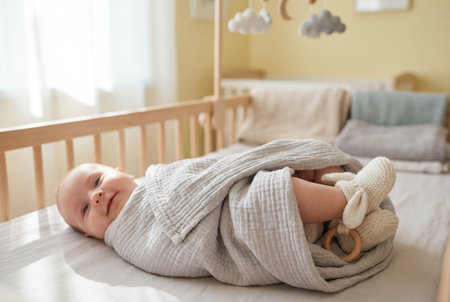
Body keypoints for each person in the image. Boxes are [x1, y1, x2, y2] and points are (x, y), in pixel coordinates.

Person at [55, 139, 400, 291]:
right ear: (91, 235)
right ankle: (351, 201)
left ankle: (342, 224)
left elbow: (209, 172)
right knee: (270, 198)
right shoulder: (126, 236)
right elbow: (172, 250)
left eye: (97, 180)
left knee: (301, 160)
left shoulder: (158, 177)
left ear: (122, 171)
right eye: (84, 209)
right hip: (231, 226)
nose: (96, 196)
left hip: (225, 188)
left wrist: (245, 172)